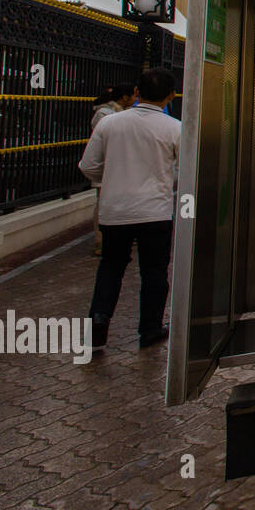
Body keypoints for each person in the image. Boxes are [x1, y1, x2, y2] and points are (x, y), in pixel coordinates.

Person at [79, 68, 181, 350]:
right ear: (171, 96)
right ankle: (149, 327)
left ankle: (99, 320)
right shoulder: (174, 128)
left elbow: (88, 166)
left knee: (111, 267)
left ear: (137, 92)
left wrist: (111, 179)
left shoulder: (109, 124)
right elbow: (185, 170)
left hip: (115, 211)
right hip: (155, 212)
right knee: (155, 271)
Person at [88, 84, 135, 255]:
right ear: (124, 97)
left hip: (121, 167)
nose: (135, 99)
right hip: (108, 167)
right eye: (133, 96)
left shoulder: (122, 114)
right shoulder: (104, 114)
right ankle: (101, 241)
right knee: (103, 204)